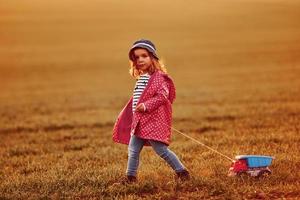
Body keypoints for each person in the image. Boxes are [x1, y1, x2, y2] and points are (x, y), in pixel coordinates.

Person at [112, 39, 190, 183]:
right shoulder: (142, 77)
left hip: (152, 122)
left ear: (153, 58)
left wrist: (146, 106)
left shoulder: (159, 77)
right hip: (140, 122)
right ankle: (130, 177)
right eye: (136, 57)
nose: (140, 59)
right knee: (133, 150)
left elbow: (162, 96)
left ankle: (182, 172)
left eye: (144, 56)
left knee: (161, 150)